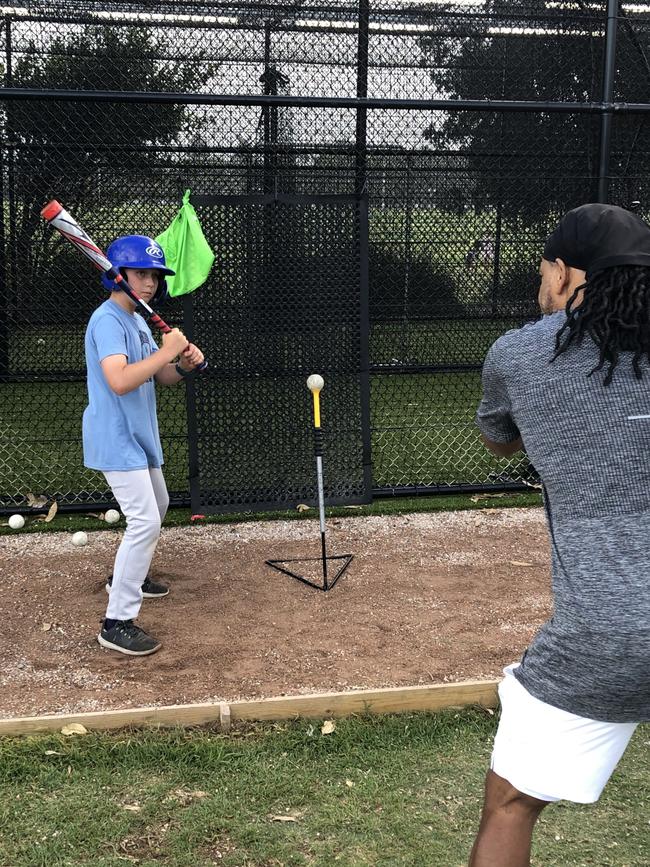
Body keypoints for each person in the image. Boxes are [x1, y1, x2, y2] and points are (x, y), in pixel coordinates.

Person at [470, 203, 650, 866]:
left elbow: (498, 439)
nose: (540, 282)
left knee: (511, 804)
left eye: (545, 269)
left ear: (566, 272)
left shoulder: (519, 354)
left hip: (613, 632)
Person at [83, 235, 204, 657]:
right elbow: (118, 380)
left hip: (139, 435)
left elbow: (159, 376)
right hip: (115, 437)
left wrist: (182, 365)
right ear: (117, 275)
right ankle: (116, 621)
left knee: (160, 503)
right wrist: (169, 348)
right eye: (140, 274)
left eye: (154, 275)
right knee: (145, 521)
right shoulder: (108, 321)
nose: (150, 283)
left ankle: (126, 579)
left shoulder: (135, 319)